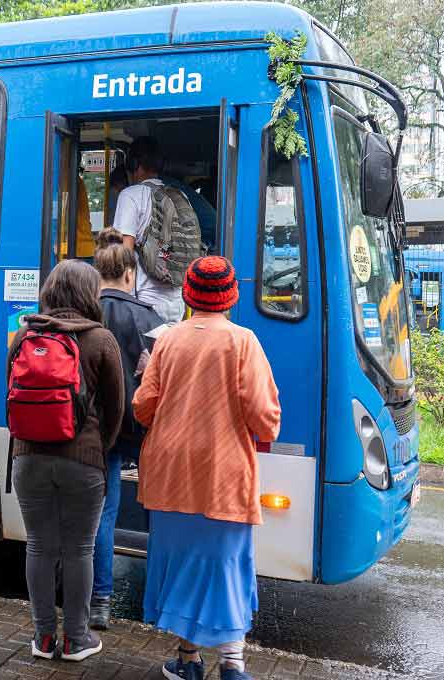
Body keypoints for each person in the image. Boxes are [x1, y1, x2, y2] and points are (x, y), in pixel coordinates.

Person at [132, 256, 282, 680]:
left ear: (188, 294)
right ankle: (232, 664)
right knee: (226, 564)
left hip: (169, 473)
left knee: (181, 564)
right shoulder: (243, 342)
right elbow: (265, 417)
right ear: (230, 297)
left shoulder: (168, 341)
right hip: (223, 473)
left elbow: (143, 408)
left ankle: (188, 660)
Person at [8, 259, 124, 662]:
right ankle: (76, 639)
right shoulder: (100, 340)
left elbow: (10, 395)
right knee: (79, 549)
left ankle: (42, 639)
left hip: (27, 457)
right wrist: (96, 449)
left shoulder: (23, 335)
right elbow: (116, 409)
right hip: (83, 461)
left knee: (39, 546)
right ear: (88, 294)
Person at [89, 229, 163, 631]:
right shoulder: (148, 318)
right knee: (128, 513)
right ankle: (152, 604)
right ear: (131, 275)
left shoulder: (80, 312)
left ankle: (96, 599)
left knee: (93, 515)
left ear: (96, 272)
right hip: (131, 431)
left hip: (85, 431)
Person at [113, 137, 204, 325]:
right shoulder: (180, 195)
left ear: (134, 164)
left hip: (145, 302)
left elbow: (124, 251)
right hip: (177, 301)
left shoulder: (130, 195)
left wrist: (118, 298)